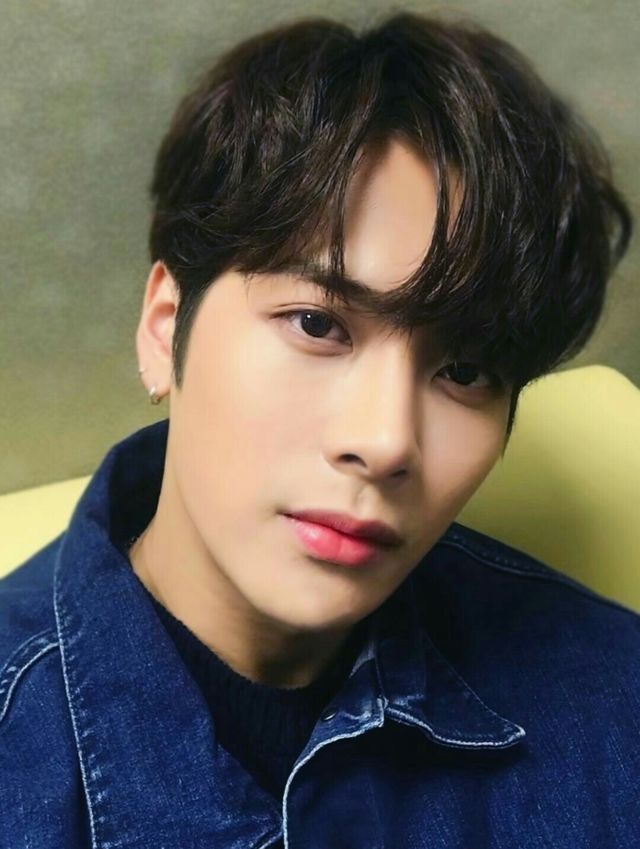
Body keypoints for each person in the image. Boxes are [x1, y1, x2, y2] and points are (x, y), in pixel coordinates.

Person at [1, 10, 637, 848]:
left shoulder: (612, 699)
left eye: (465, 371)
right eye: (317, 324)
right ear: (164, 328)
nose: (386, 441)